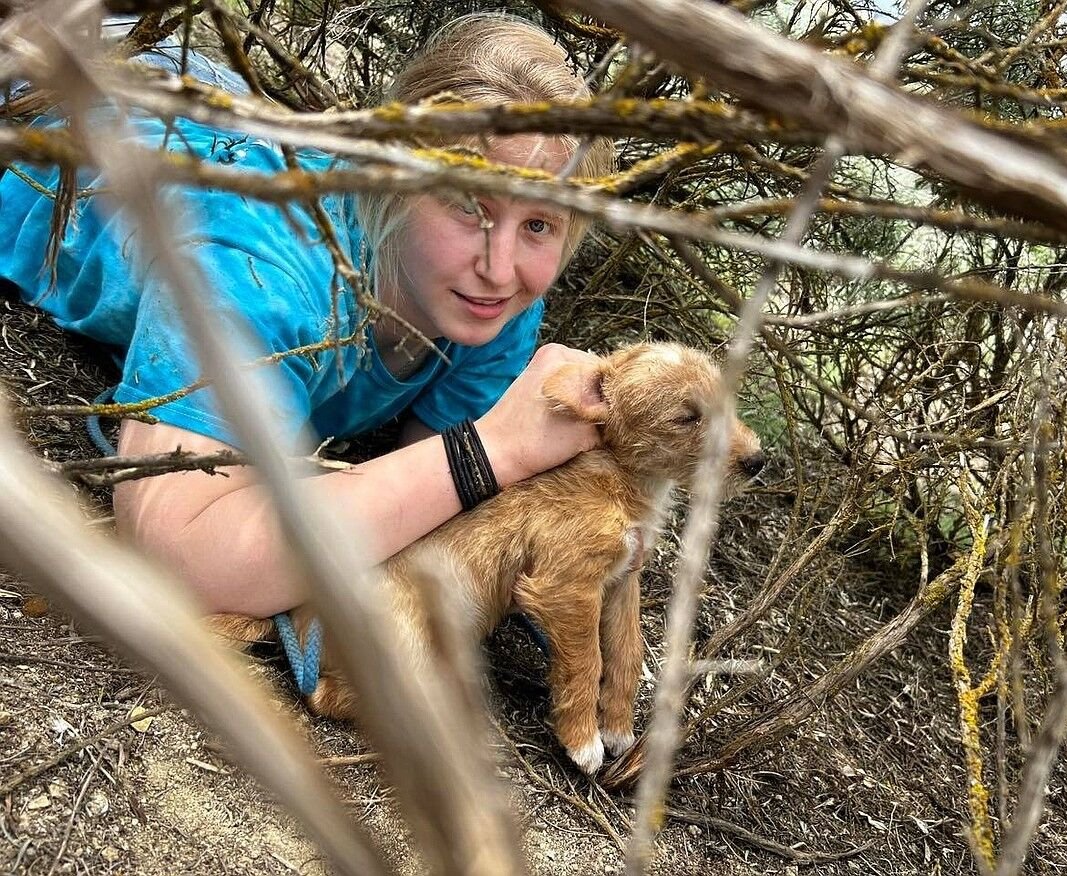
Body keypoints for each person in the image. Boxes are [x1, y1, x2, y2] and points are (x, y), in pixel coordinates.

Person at [0, 14, 616, 617]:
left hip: (203, 98)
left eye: (539, 223)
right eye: (466, 206)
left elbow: (418, 514)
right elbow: (180, 550)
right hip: (52, 95)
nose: (500, 268)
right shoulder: (263, 273)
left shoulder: (491, 310)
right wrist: (491, 451)